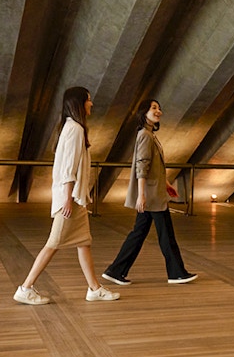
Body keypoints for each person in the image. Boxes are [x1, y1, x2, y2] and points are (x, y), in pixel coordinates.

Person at [14, 87, 119, 305]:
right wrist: (68, 199)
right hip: (70, 200)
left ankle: (94, 288)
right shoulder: (75, 129)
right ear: (79, 103)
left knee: (83, 242)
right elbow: (68, 169)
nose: (91, 104)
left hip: (76, 199)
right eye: (89, 100)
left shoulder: (72, 127)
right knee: (53, 243)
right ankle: (25, 288)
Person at [102, 99, 198, 285]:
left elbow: (154, 167)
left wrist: (166, 184)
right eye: (154, 108)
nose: (158, 111)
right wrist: (142, 194)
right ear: (144, 112)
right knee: (166, 235)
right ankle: (176, 273)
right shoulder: (145, 135)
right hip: (151, 196)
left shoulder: (148, 134)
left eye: (159, 108)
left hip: (153, 192)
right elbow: (142, 166)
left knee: (139, 233)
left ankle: (116, 270)